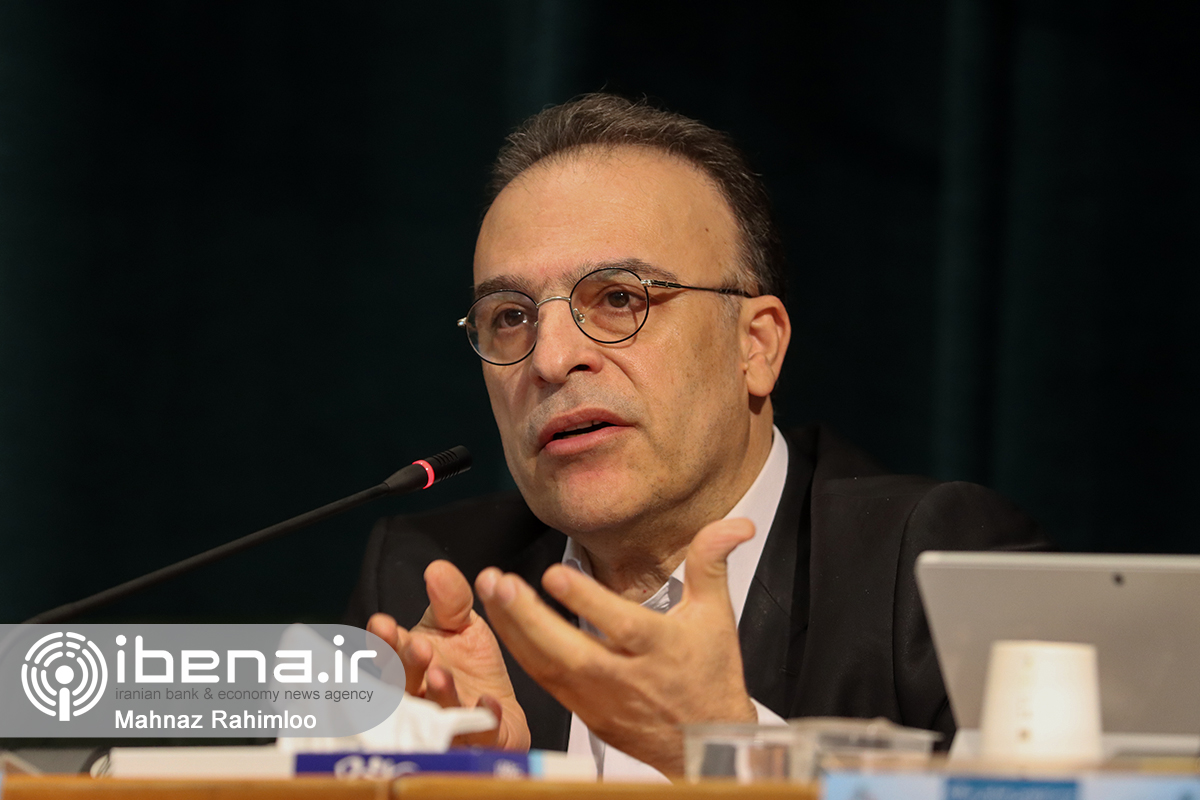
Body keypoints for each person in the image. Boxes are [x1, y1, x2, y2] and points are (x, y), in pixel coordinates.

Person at [345, 93, 1045, 779]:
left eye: (619, 298)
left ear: (756, 346)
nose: (551, 360)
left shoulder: (929, 565)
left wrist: (730, 754)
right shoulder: (426, 590)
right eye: (510, 316)